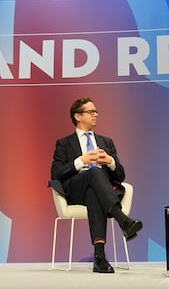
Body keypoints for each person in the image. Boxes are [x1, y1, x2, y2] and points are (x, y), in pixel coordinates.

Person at [49, 97, 142, 273]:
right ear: (77, 116)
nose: (96, 115)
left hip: (101, 193)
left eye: (96, 111)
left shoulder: (107, 142)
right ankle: (123, 220)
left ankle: (99, 258)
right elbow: (56, 174)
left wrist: (110, 161)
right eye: (91, 112)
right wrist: (80, 161)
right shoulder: (64, 143)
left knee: (95, 190)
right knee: (92, 172)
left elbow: (120, 175)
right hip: (75, 190)